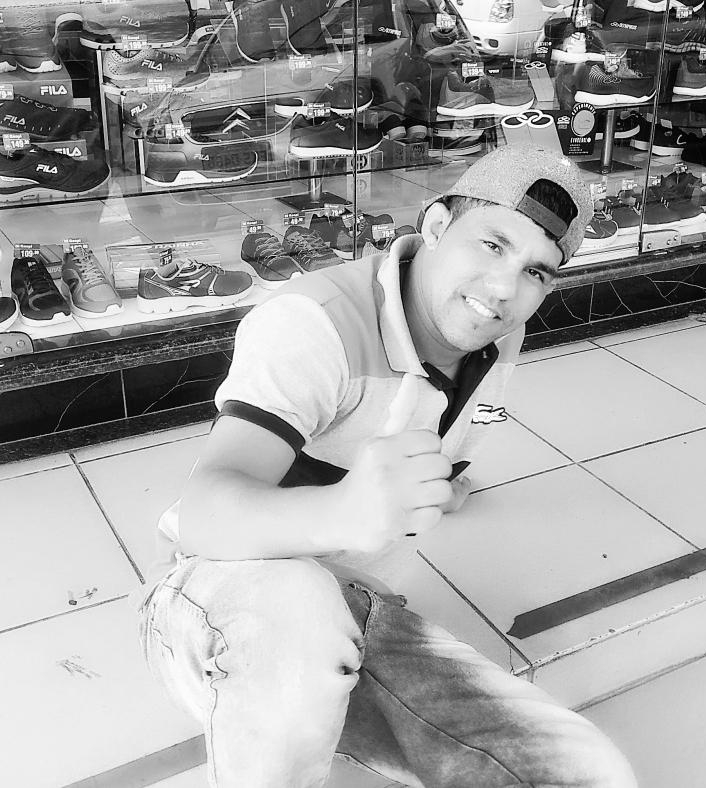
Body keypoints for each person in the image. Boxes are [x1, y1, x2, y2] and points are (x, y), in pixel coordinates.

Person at [135, 145, 638, 788]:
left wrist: (441, 489)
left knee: (585, 772)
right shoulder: (313, 323)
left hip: (356, 613)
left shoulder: (494, 331)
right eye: (492, 245)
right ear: (436, 225)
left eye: (536, 271)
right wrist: (345, 510)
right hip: (208, 597)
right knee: (299, 613)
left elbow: (440, 452)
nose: (503, 289)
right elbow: (204, 515)